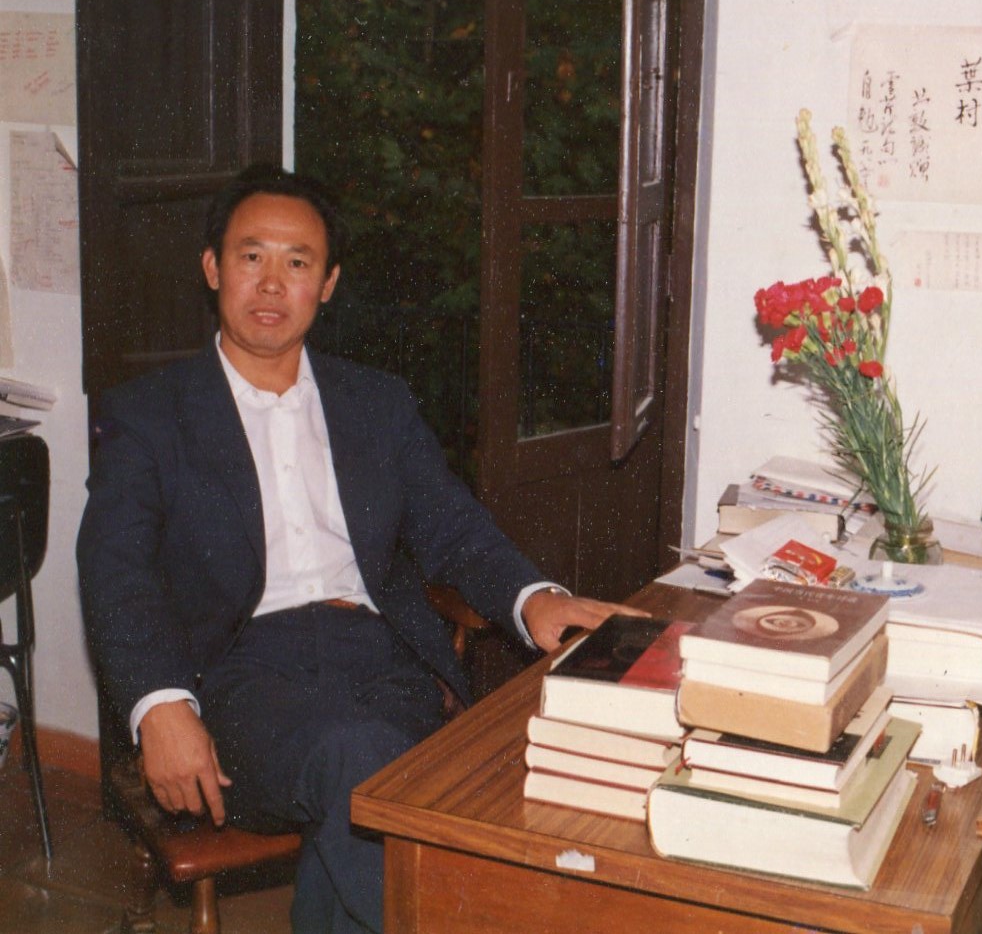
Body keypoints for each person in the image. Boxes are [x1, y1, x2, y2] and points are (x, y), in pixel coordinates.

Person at [77, 164, 642, 933]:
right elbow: (116, 572)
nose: (271, 283)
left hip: (381, 658)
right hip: (240, 677)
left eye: (297, 262)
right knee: (372, 771)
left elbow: (451, 523)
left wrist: (530, 597)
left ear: (328, 283)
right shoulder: (148, 415)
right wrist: (160, 704)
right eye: (251, 256)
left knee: (394, 783)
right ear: (212, 268)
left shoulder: (374, 402)